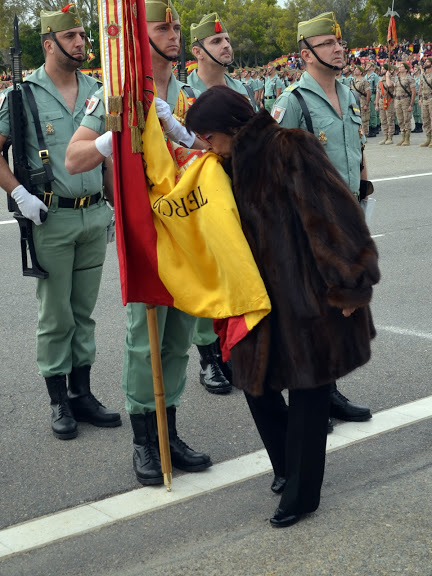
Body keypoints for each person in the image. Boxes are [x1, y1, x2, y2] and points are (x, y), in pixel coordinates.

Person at [185, 84, 379, 528]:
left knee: (309, 390)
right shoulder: (224, 164)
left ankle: (302, 493)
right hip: (256, 298)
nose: (204, 146)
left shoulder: (291, 147)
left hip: (307, 293)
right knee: (255, 383)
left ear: (231, 127)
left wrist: (350, 284)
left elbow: (333, 214)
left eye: (208, 137)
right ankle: (286, 467)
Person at [66, 0, 212, 485]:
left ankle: (170, 433)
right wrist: (110, 137)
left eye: (177, 27)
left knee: (178, 339)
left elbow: (213, 151)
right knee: (143, 341)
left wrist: (182, 133)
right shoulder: (117, 95)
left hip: (187, 229)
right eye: (162, 27)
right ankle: (144, 441)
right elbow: (74, 158)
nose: (174, 35)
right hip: (145, 230)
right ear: (137, 36)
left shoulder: (187, 95)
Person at [0, 5, 121, 440]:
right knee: (56, 315)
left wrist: (115, 204)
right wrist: (19, 193)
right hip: (51, 217)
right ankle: (58, 401)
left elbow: (108, 155)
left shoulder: (98, 89)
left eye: (82, 36)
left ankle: (82, 394)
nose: (81, 43)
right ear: (49, 44)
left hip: (93, 214)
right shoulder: (22, 94)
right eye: (71, 36)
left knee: (83, 313)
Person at [270, 12, 373, 437]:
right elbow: (273, 169)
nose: (339, 48)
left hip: (346, 221)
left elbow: (358, 149)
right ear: (306, 53)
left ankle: (327, 392)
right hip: (310, 226)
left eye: (338, 42)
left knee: (337, 312)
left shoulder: (348, 93)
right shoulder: (292, 102)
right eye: (328, 43)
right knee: (310, 314)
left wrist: (364, 195)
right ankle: (309, 398)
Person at [187, 12, 254, 394]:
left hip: (240, 193)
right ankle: (208, 357)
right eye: (216, 41)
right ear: (197, 51)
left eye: (226, 39)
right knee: (208, 275)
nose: (226, 45)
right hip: (204, 199)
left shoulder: (240, 90)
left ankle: (234, 347)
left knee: (236, 269)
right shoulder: (184, 92)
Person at [392, 61, 416, 146]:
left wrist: (411, 104)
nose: (400, 68)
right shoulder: (397, 78)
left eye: (402, 67)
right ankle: (402, 137)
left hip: (405, 100)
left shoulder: (409, 78)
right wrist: (394, 102)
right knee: (400, 120)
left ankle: (407, 139)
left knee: (406, 119)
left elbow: (413, 92)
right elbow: (395, 91)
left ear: (406, 69)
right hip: (398, 100)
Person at [375, 64, 396, 145]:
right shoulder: (380, 80)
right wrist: (376, 104)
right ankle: (385, 136)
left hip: (389, 101)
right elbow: (378, 92)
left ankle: (390, 137)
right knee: (383, 120)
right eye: (381, 69)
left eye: (384, 69)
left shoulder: (392, 78)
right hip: (382, 101)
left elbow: (389, 84)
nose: (382, 70)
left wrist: (387, 76)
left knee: (389, 119)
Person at [351, 65, 371, 139]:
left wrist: (367, 104)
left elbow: (368, 92)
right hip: (354, 102)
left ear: (361, 72)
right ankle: (358, 135)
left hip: (362, 101)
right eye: (355, 69)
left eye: (357, 69)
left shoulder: (364, 81)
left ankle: (365, 135)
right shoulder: (353, 81)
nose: (355, 70)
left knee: (364, 120)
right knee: (356, 118)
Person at [418, 57, 432, 147]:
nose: (426, 63)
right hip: (424, 99)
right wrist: (419, 98)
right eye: (425, 62)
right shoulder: (422, 75)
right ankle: (428, 138)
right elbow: (420, 87)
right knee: (425, 119)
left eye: (428, 62)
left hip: (431, 98)